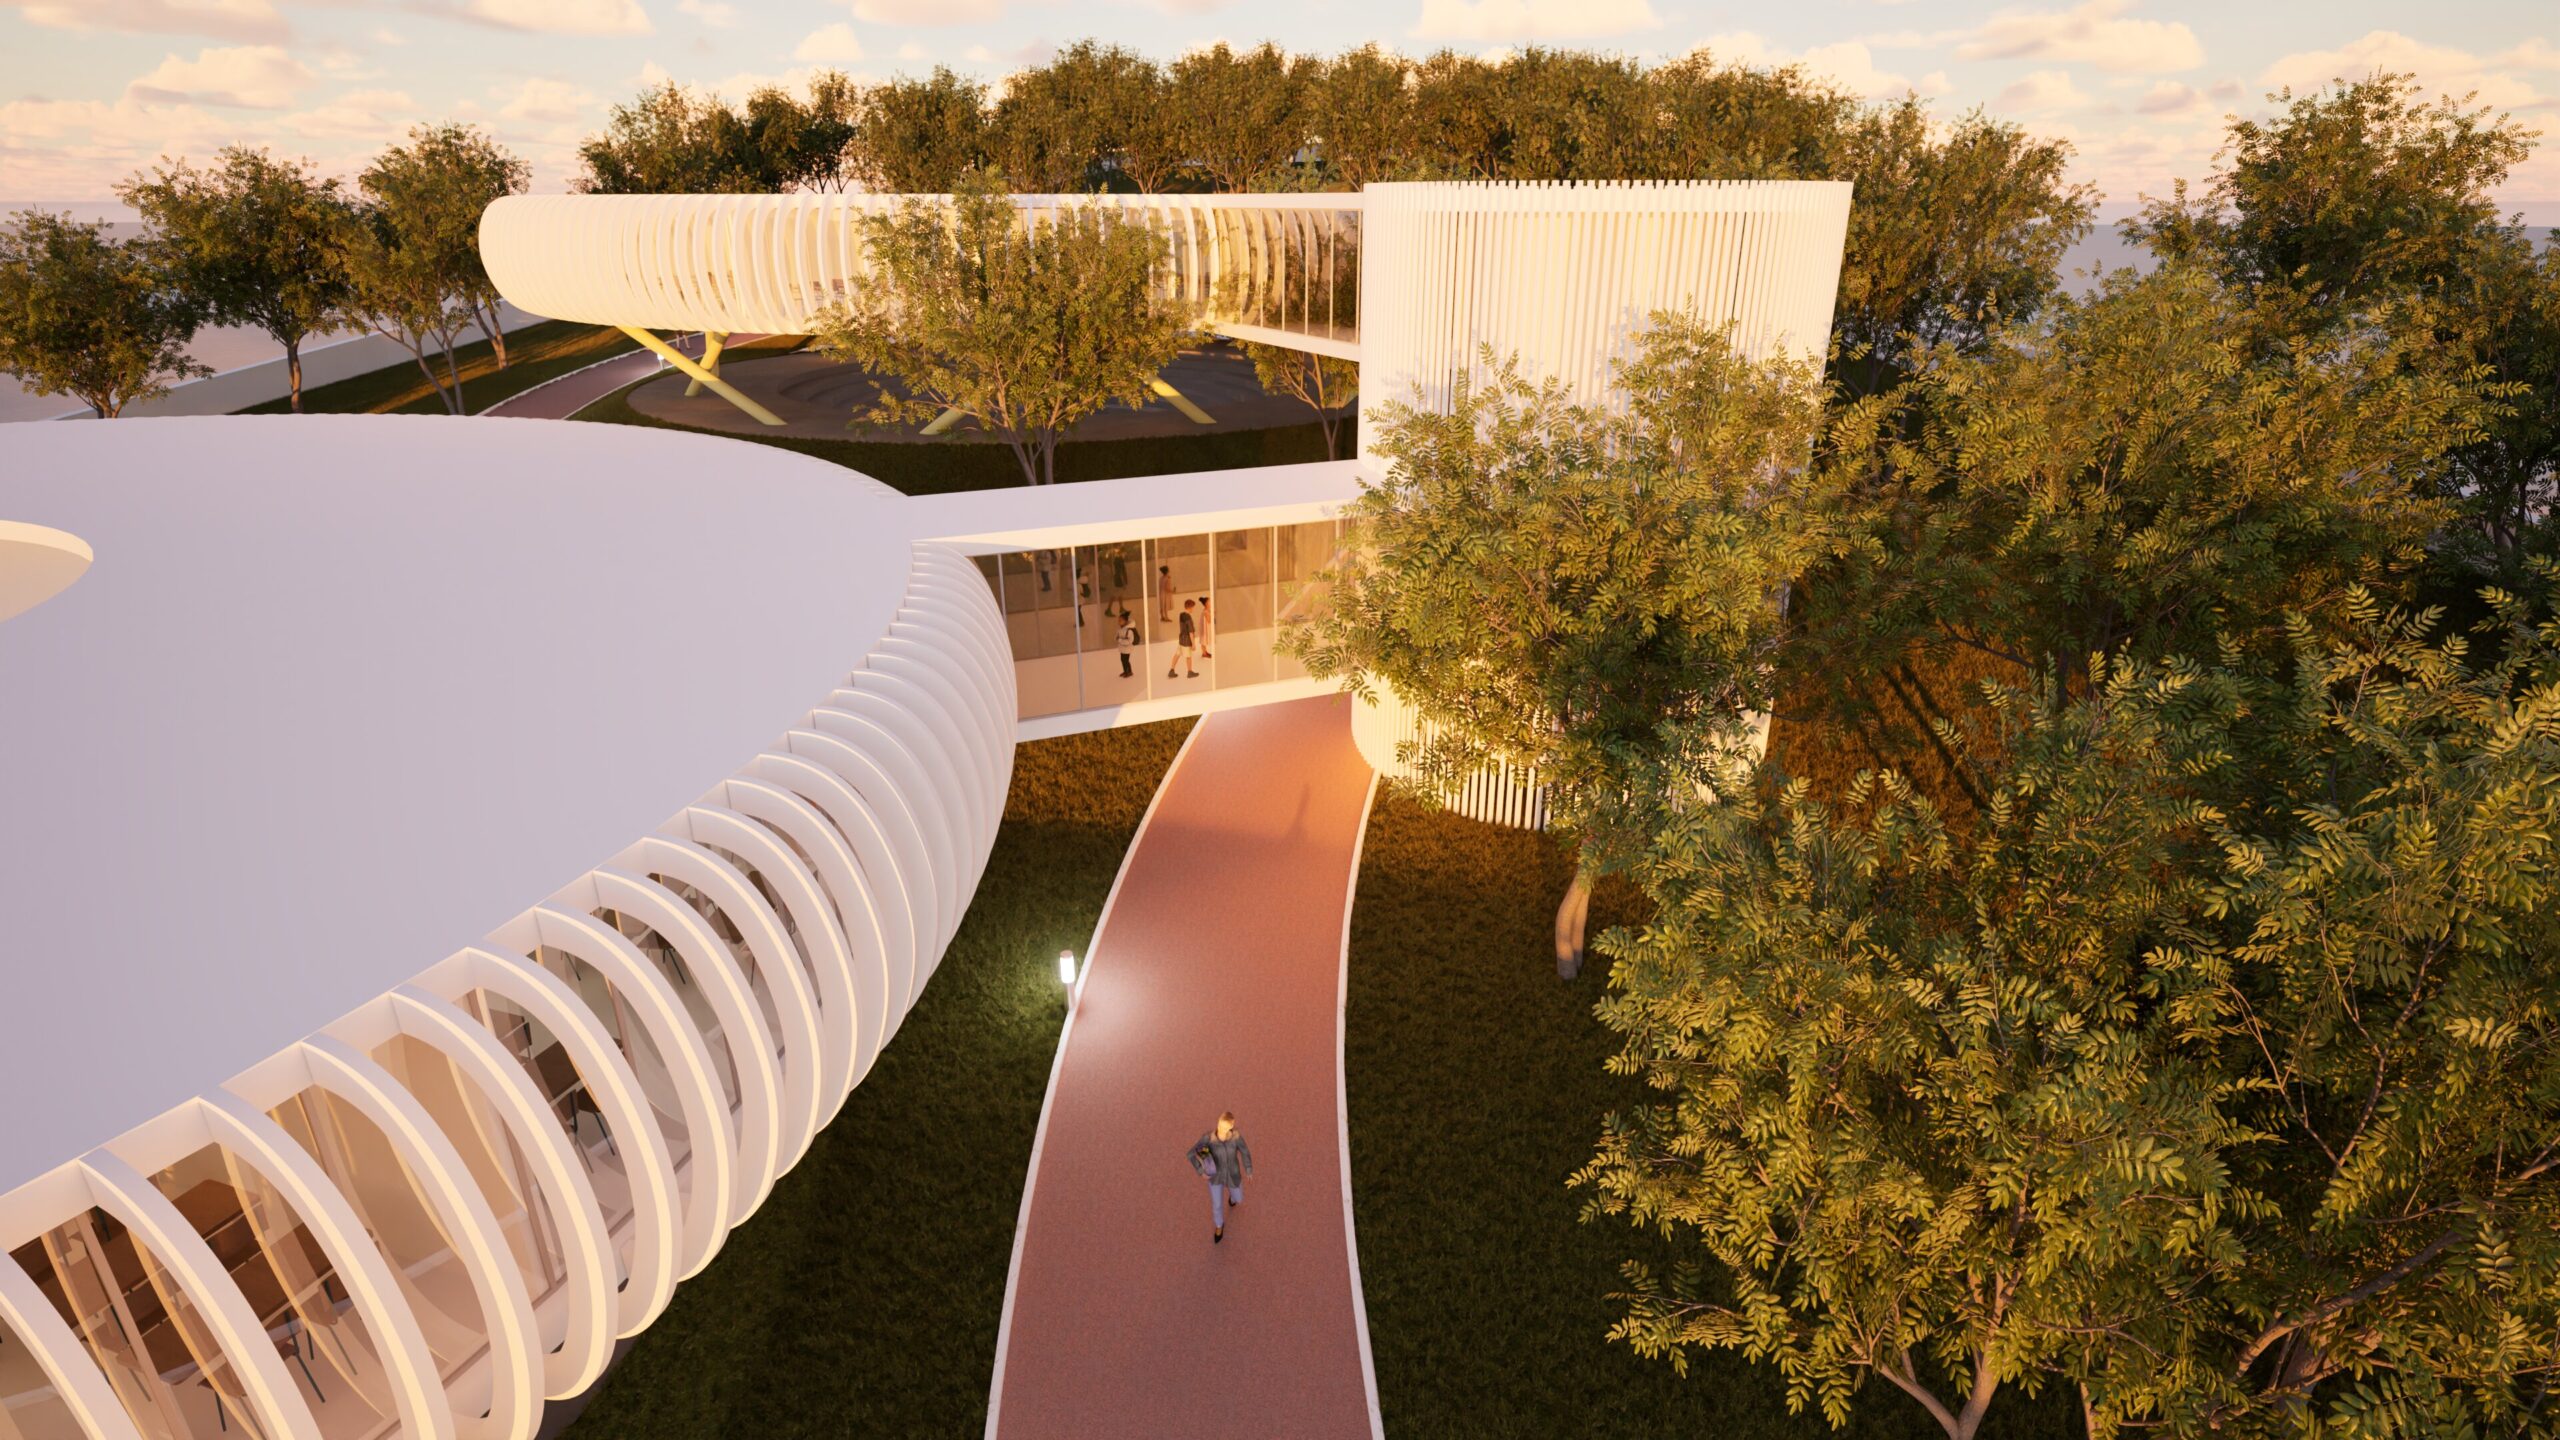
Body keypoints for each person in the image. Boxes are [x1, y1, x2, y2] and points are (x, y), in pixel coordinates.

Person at [1187, 1112, 1254, 1243]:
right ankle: (1219, 1225)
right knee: (1217, 1205)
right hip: (1215, 1178)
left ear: (1231, 1126)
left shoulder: (1236, 1138)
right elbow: (1191, 1154)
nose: (1221, 1130)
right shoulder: (1208, 1139)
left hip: (1232, 1176)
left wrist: (1248, 1168)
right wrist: (1201, 1171)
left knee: (1239, 1199)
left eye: (1225, 1127)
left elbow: (1245, 1152)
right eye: (1220, 1125)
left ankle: (1232, 1197)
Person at [1170, 599, 1201, 679]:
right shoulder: (1188, 618)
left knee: (1177, 654)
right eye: (1193, 607)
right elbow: (1191, 632)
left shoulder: (1181, 615)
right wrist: (1193, 643)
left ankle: (1171, 670)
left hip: (1181, 639)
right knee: (1188, 656)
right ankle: (1189, 672)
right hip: (1187, 640)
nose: (1193, 609)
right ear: (1190, 607)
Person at [1115, 610, 1139, 679]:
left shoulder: (1129, 630)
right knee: (1123, 660)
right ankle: (1126, 671)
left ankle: (1127, 672)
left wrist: (1119, 640)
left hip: (1127, 649)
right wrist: (1116, 637)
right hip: (1122, 648)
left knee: (1125, 660)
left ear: (1125, 621)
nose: (1119, 622)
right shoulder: (1121, 629)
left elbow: (1129, 641)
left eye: (1120, 620)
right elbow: (1118, 635)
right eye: (1118, 620)